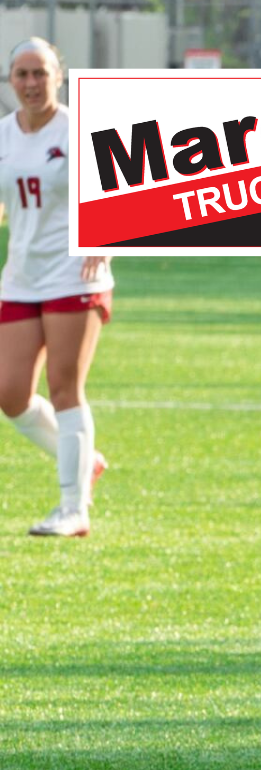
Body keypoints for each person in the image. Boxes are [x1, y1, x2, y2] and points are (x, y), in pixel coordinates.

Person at [0, 37, 110, 538]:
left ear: (58, 77)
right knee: (10, 394)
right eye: (21, 74)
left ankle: (73, 508)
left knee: (64, 387)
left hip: (74, 272)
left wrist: (105, 238)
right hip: (22, 275)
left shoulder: (80, 129)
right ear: (10, 81)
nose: (31, 83)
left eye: (40, 73)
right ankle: (86, 460)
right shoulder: (4, 135)